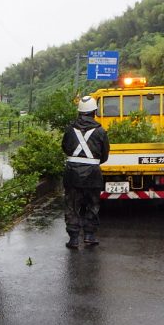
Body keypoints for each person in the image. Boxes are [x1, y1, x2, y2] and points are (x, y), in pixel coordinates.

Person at [61, 95, 110, 248]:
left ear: (79, 112)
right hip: (93, 175)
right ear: (94, 112)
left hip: (72, 174)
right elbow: (104, 155)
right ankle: (89, 235)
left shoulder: (70, 130)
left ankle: (74, 238)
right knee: (92, 205)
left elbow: (65, 148)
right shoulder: (101, 131)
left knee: (72, 206)